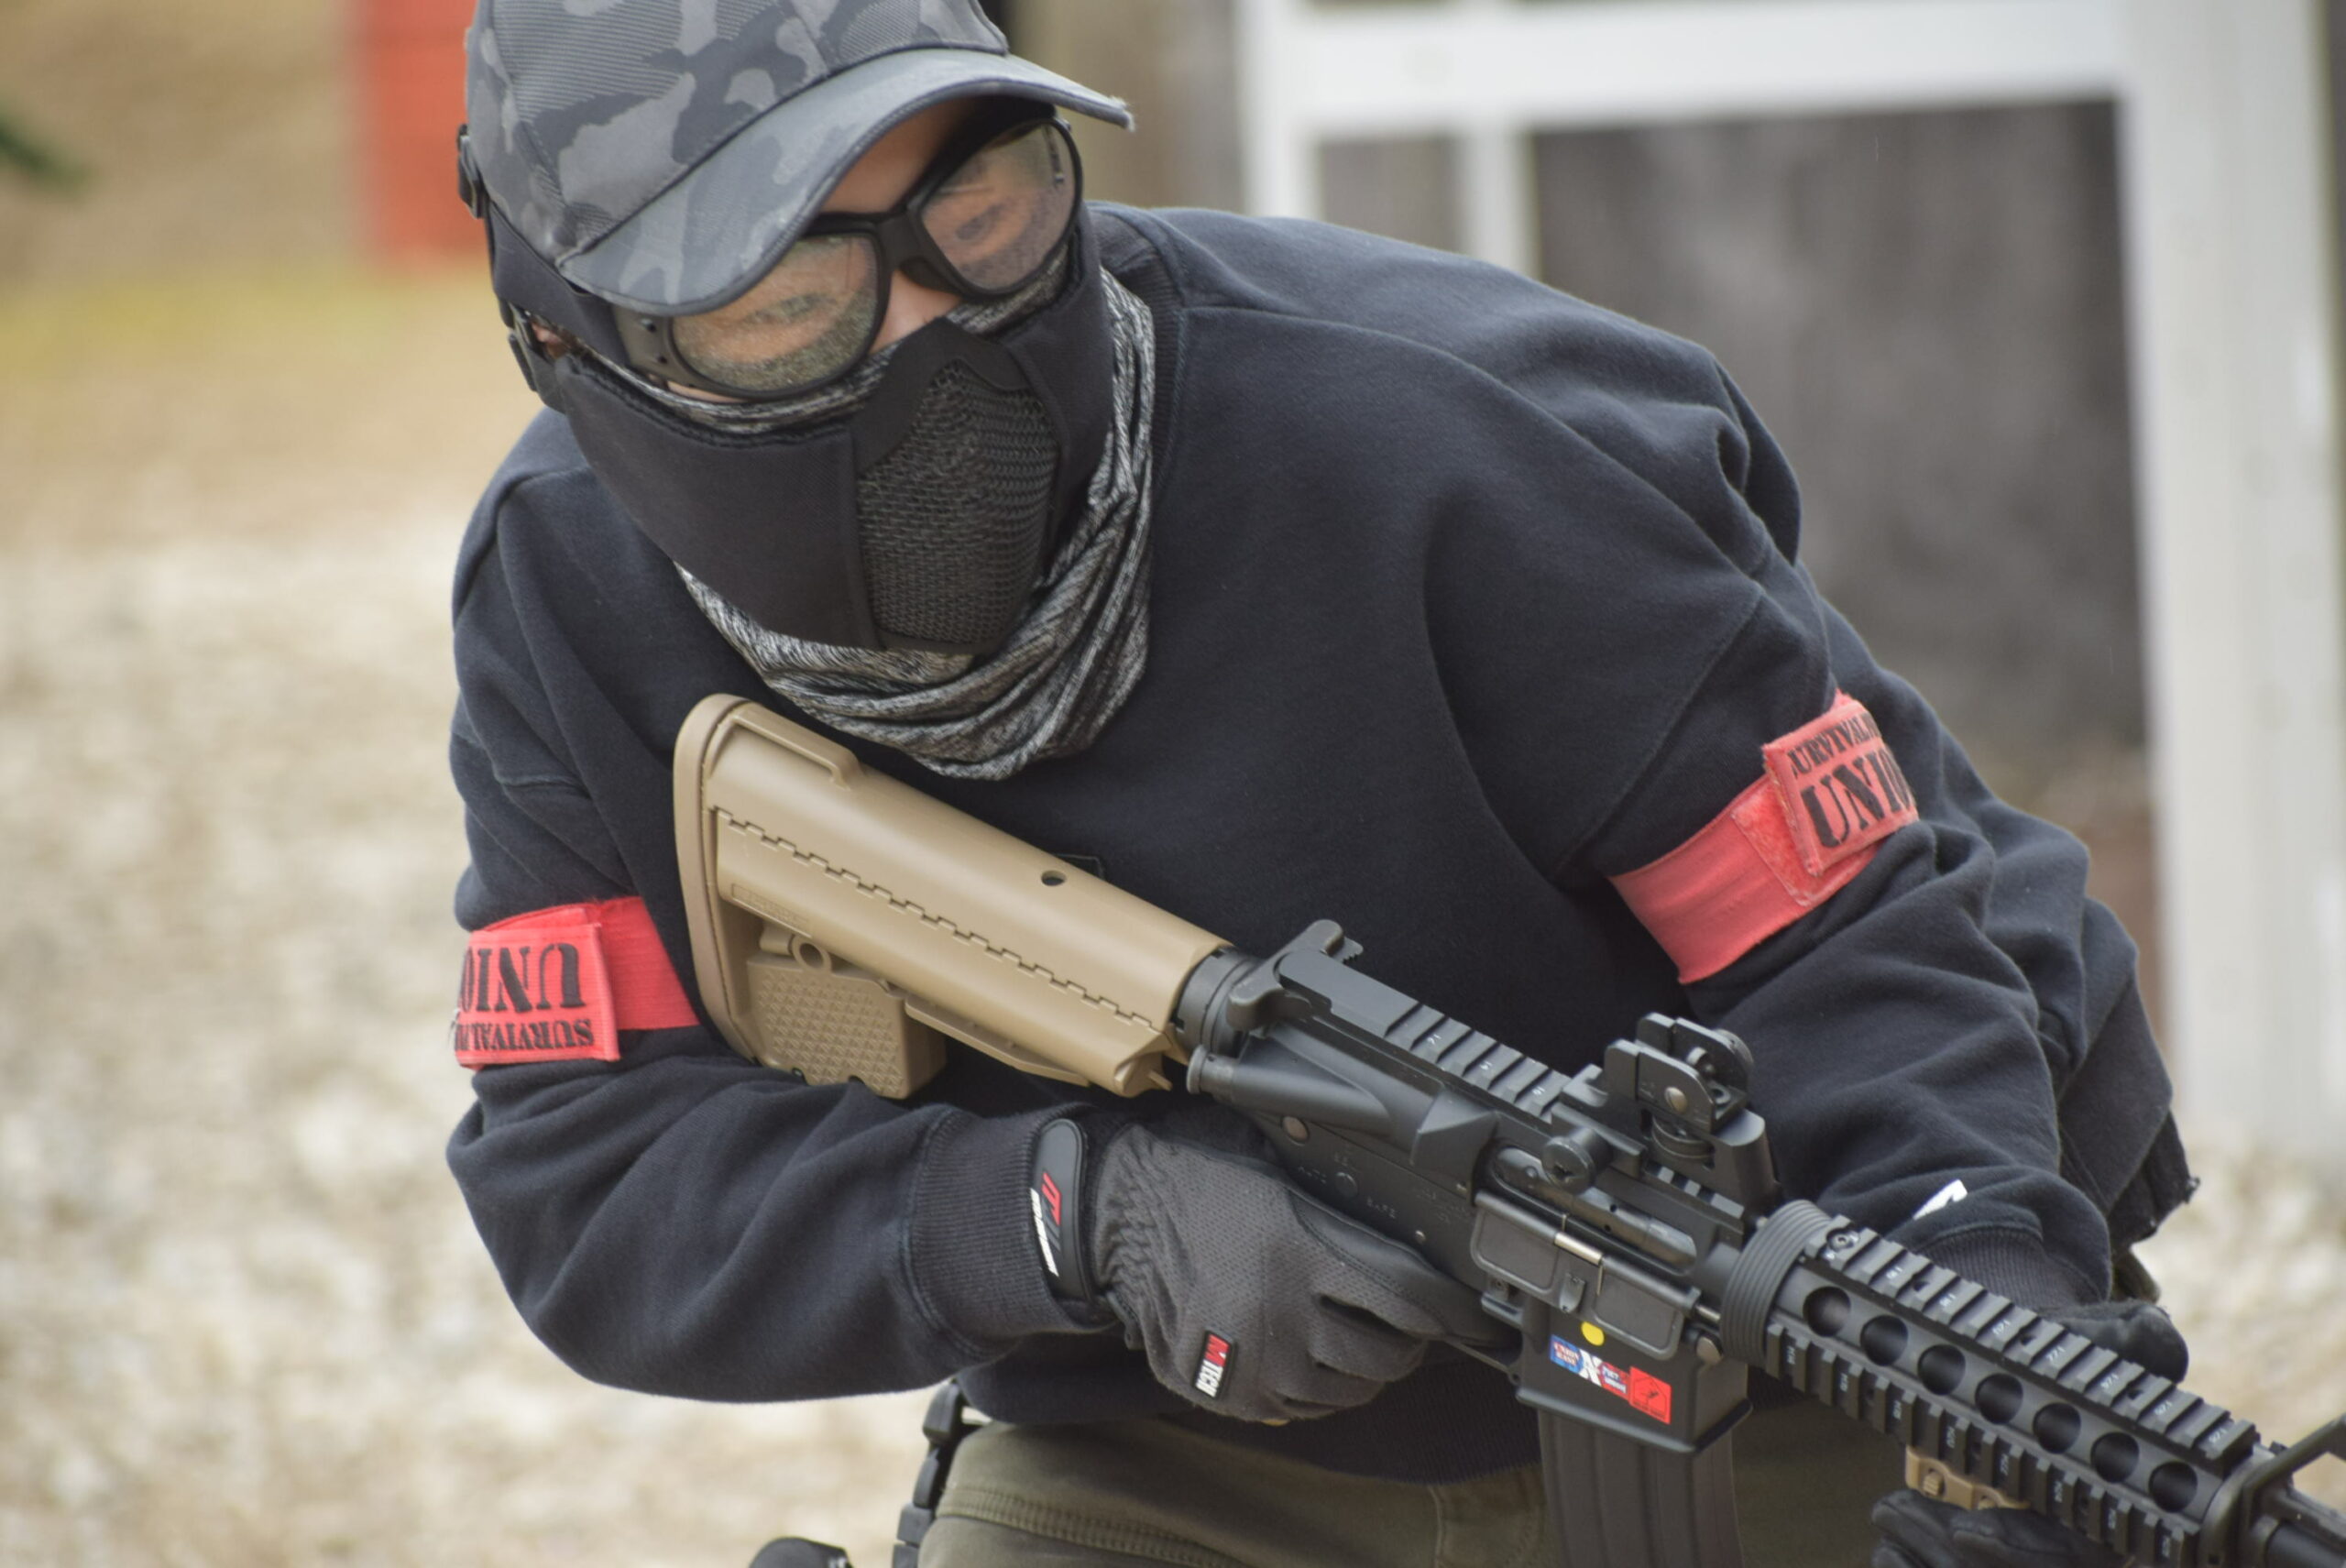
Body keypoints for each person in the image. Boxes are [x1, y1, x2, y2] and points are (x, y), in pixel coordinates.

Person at [443, 3, 2196, 1563]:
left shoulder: (1455, 432)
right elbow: (595, 1174)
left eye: (982, 214)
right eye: (789, 302)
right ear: (568, 344)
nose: (929, 331)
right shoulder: (569, 588)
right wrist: (1071, 1220)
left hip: (1823, 1290)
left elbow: (1859, 956)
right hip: (1184, 1435)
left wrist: (2004, 1376)